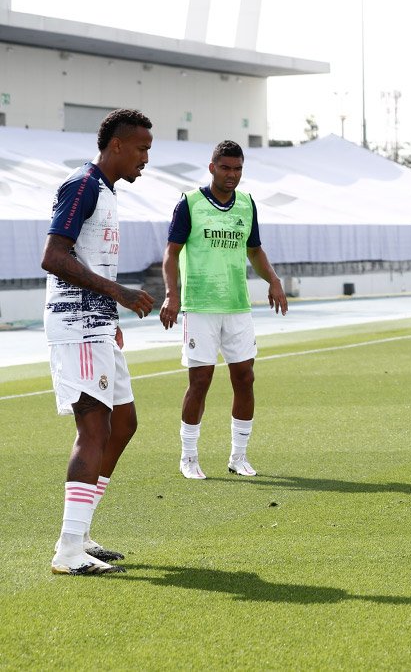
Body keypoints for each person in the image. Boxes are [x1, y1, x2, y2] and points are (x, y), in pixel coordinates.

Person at [43, 109, 156, 574]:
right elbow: (53, 255)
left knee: (124, 424)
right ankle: (68, 551)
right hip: (76, 325)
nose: (145, 158)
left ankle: (82, 530)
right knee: (92, 431)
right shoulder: (82, 185)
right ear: (116, 145)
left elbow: (89, 258)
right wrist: (119, 294)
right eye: (141, 148)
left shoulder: (106, 192)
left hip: (97, 325)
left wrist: (109, 316)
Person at [159, 140, 288, 480]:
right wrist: (172, 295)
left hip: (237, 306)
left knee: (245, 378)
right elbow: (171, 253)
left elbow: (255, 249)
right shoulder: (190, 203)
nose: (232, 175)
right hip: (200, 306)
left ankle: (239, 456)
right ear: (212, 167)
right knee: (200, 381)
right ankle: (188, 457)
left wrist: (273, 280)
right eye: (226, 168)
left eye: (238, 169)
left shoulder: (246, 204)